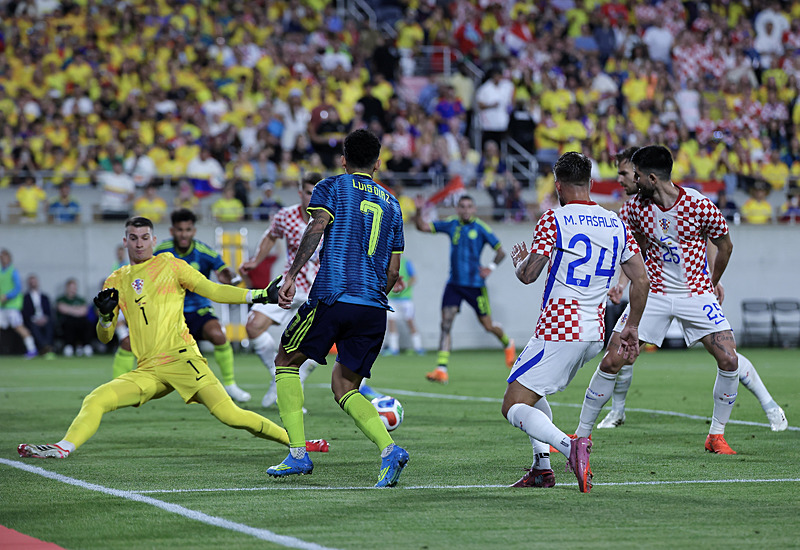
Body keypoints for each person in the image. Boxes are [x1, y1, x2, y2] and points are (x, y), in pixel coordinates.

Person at [17, 216, 329, 460]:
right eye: (133, 238)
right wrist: (103, 316)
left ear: (154, 240)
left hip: (183, 360)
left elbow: (213, 290)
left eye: (144, 238)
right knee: (96, 399)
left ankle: (301, 444)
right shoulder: (116, 280)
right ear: (125, 240)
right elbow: (105, 336)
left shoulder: (169, 264)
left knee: (231, 416)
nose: (139, 243)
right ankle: (63, 447)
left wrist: (260, 295)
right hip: (148, 369)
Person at [574, 145, 785, 459]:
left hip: (696, 295)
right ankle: (580, 435)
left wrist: (712, 281)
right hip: (654, 294)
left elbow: (724, 245)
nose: (632, 180)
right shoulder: (634, 208)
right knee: (613, 359)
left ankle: (716, 435)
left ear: (652, 177)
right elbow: (634, 250)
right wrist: (624, 282)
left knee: (729, 359)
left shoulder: (700, 206)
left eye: (637, 175)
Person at [265, 129, 409, 487]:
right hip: (373, 306)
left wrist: (292, 274)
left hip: (333, 295)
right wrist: (373, 296)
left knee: (286, 360)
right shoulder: (393, 204)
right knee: (345, 385)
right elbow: (394, 271)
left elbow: (317, 225)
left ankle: (298, 454)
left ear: (343, 159)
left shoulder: (332, 186)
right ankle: (389, 449)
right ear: (378, 163)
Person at [502, 151, 649, 493]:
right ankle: (542, 469)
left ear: (558, 186)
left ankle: (571, 448)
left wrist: (521, 262)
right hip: (594, 330)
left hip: (559, 327)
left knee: (512, 404)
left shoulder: (554, 219)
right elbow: (641, 281)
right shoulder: (616, 223)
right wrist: (632, 326)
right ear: (591, 184)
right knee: (529, 387)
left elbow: (529, 276)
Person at [146, 208, 252, 402]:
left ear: (193, 231)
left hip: (199, 310)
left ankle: (230, 385)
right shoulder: (161, 251)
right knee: (131, 343)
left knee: (218, 335)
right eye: (179, 230)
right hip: (170, 314)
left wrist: (228, 276)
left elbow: (223, 270)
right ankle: (126, 384)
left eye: (187, 229)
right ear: (172, 231)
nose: (184, 234)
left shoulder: (204, 252)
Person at [239, 173, 322, 409]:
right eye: (308, 192)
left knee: (315, 344)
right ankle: (279, 378)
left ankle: (292, 390)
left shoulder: (332, 218)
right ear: (300, 193)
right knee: (253, 325)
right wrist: (255, 260)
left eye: (317, 192)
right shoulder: (285, 216)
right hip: (289, 285)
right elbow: (270, 235)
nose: (312, 197)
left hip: (318, 289)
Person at [414, 194, 516, 384]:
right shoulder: (452, 224)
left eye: (469, 206)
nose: (466, 210)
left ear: (474, 209)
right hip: (454, 284)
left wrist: (490, 268)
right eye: (462, 206)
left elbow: (501, 251)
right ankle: (441, 369)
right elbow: (422, 227)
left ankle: (507, 343)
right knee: (445, 323)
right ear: (458, 209)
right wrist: (419, 209)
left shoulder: (481, 228)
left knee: (488, 326)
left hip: (475, 286)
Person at [0, 249, 38, 358]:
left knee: (18, 327)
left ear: (9, 258)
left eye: (4, 257)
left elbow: (18, 288)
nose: (3, 259)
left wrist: (7, 296)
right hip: (2, 306)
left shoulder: (13, 271)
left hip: (12, 305)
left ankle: (32, 349)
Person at [383, 255, 424, 356]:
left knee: (410, 321)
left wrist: (405, 284)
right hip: (392, 299)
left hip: (405, 299)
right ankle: (394, 348)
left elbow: (414, 278)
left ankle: (418, 347)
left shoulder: (406, 262)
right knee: (391, 322)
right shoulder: (386, 262)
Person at [56, 278, 94, 357]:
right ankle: (69, 345)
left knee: (86, 323)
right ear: (67, 288)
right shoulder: (61, 299)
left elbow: (84, 311)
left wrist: (70, 309)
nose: (72, 290)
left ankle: (86, 345)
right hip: (66, 321)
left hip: (80, 321)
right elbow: (62, 309)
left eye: (74, 288)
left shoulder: (80, 299)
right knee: (70, 322)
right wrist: (76, 309)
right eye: (71, 288)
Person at [22, 274, 56, 358]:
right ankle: (45, 347)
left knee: (50, 324)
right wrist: (35, 319)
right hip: (33, 320)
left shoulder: (44, 297)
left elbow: (48, 311)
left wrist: (44, 318)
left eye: (34, 282)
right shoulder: (25, 297)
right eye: (31, 282)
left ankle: (47, 347)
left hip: (44, 319)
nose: (33, 284)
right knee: (34, 327)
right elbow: (25, 313)